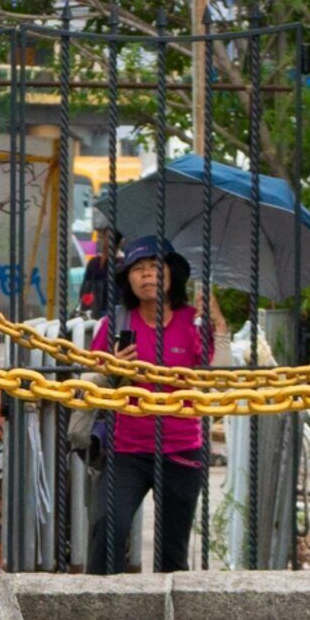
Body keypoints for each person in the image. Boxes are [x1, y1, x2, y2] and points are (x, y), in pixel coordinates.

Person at [95, 237, 224, 576]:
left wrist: (216, 321)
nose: (148, 275)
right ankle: (99, 610)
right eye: (138, 269)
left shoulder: (193, 320)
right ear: (128, 280)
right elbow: (87, 381)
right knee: (108, 528)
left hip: (182, 450)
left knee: (172, 551)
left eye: (156, 267)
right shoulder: (115, 324)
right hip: (126, 449)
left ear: (172, 276)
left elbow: (219, 375)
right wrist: (111, 368)